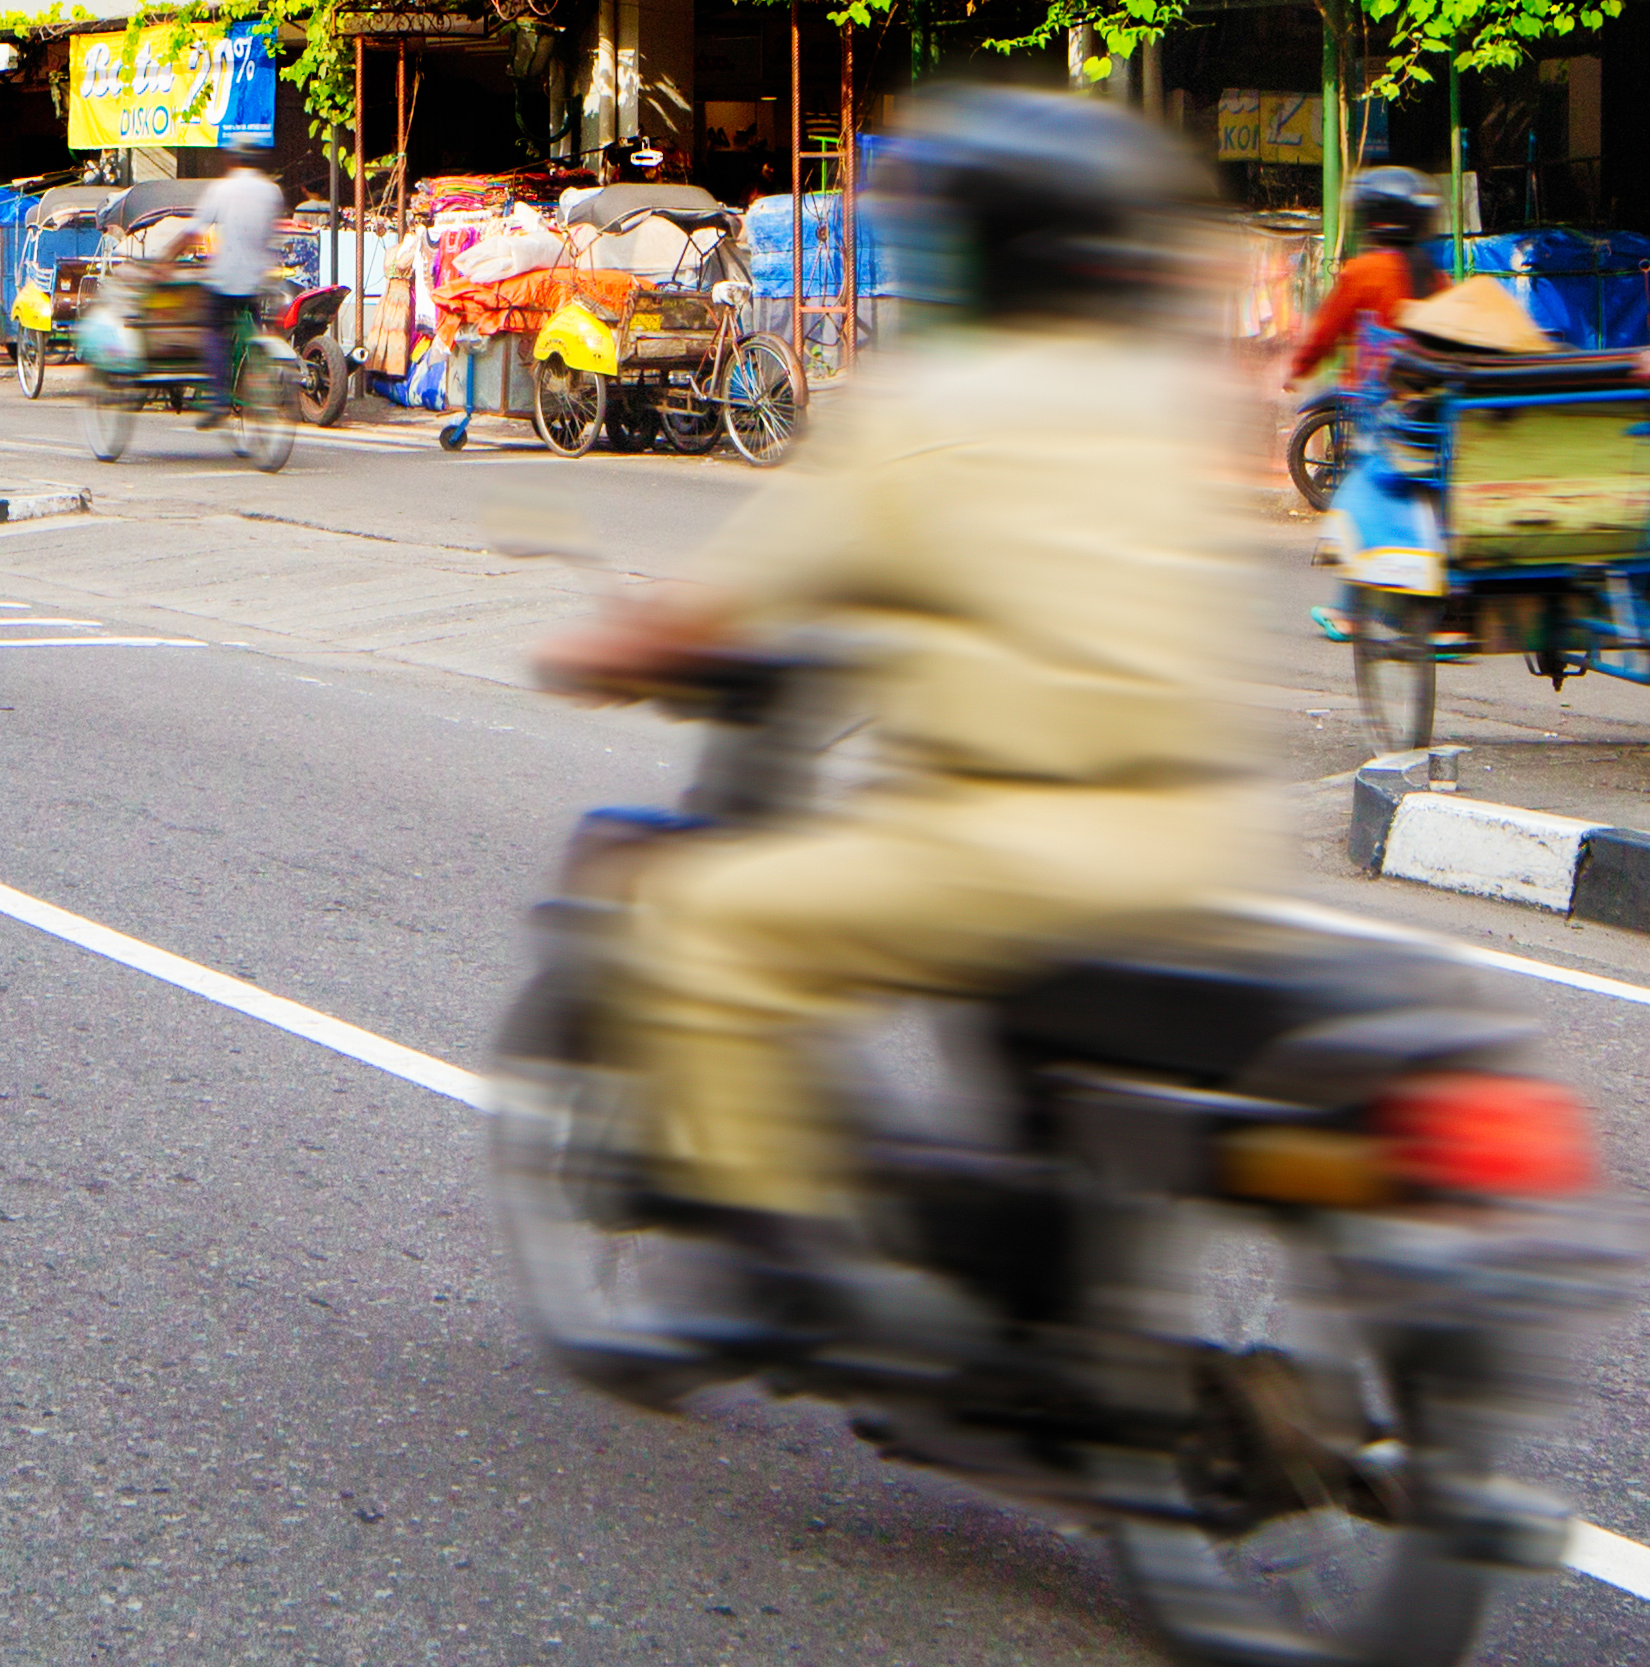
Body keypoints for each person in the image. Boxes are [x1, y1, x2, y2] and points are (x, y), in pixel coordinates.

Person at [531, 85, 1269, 1372]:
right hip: (1197, 844)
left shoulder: (929, 410)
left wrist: (609, 646)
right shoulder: (1170, 403)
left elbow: (734, 605)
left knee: (702, 922)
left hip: (1004, 847)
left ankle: (777, 1263)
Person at [1278, 166, 1441, 411]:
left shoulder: (1363, 271)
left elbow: (1327, 329)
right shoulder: (1436, 276)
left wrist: (1299, 368)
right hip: (1431, 399)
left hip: (1377, 403)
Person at [192, 147, 285, 420]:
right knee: (254, 325)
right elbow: (273, 233)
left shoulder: (221, 189)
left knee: (213, 329)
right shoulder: (272, 192)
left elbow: (193, 231)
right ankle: (256, 368)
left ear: (230, 159)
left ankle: (219, 396)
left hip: (225, 279)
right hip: (259, 279)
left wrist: (164, 259)